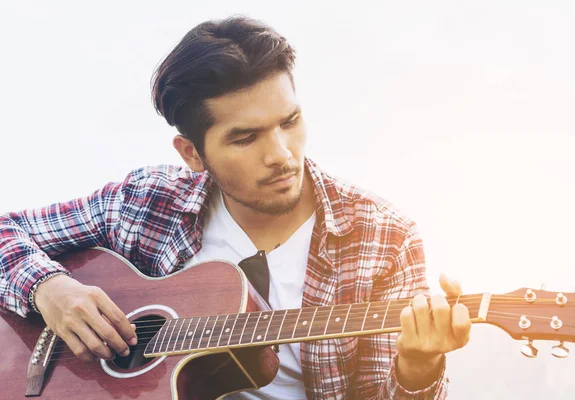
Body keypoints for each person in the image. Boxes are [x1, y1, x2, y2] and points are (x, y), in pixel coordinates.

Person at [0, 15, 471, 399]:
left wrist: (417, 364)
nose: (282, 155)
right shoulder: (146, 203)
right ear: (191, 153)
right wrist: (50, 288)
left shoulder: (384, 236)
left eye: (290, 122)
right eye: (245, 138)